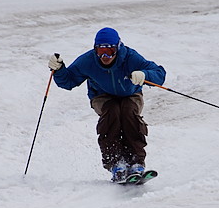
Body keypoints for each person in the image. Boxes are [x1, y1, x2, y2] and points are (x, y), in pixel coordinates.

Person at [48, 27, 166, 182]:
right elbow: (68, 81)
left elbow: (159, 73)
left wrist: (145, 75)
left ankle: (136, 162)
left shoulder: (130, 57)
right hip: (101, 96)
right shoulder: (88, 61)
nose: (104, 56)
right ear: (95, 49)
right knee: (112, 112)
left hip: (131, 94)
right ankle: (116, 162)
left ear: (117, 48)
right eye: (100, 51)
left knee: (128, 111)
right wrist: (59, 70)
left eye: (109, 51)